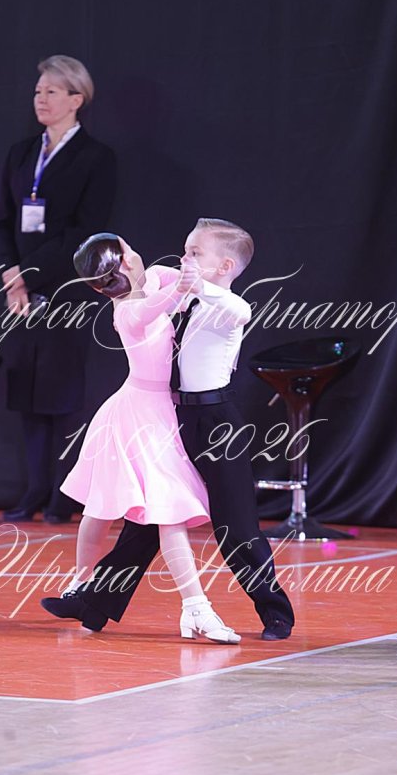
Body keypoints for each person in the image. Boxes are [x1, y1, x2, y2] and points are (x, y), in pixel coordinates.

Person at [42, 219, 295, 640]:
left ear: (224, 266)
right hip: (173, 417)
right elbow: (145, 285)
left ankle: (275, 612)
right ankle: (93, 600)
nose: (184, 258)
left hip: (216, 422)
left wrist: (198, 286)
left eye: (196, 253)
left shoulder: (223, 306)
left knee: (236, 524)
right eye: (186, 250)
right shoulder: (172, 284)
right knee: (148, 522)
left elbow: (242, 311)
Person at [0, 54, 116, 523]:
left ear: (76, 99)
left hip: (67, 288)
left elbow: (84, 230)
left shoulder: (96, 157)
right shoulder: (22, 153)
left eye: (52, 92)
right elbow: (3, 221)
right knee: (26, 389)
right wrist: (11, 275)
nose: (41, 99)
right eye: (38, 91)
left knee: (62, 394)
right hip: (19, 291)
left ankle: (66, 494)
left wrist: (29, 274)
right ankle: (34, 489)